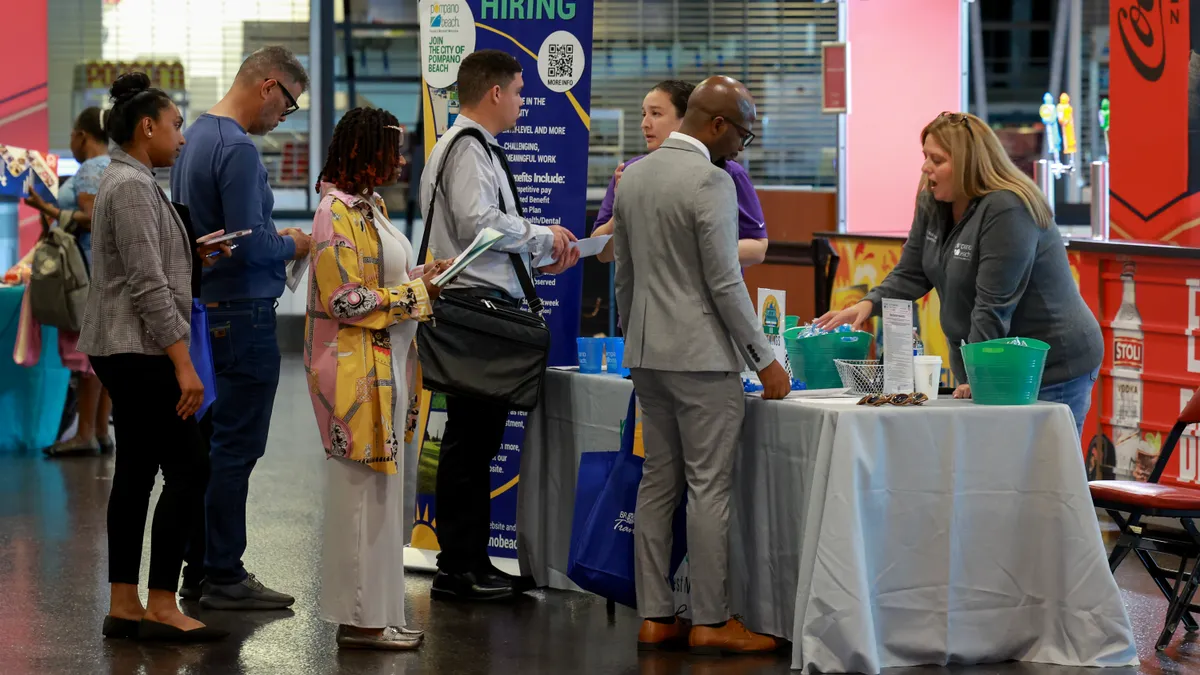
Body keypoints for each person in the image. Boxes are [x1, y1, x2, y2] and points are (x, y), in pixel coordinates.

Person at [612, 75, 789, 654]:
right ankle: (712, 621)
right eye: (742, 134)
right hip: (702, 361)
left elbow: (625, 275)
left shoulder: (634, 176)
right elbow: (724, 282)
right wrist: (764, 359)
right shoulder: (711, 181)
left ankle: (656, 616)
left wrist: (630, 339)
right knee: (708, 487)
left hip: (645, 356)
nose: (742, 146)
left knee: (657, 481)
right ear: (717, 126)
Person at [816, 111, 1104, 437]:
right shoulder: (933, 198)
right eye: (925, 156)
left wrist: (975, 376)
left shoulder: (1008, 207)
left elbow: (994, 304)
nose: (926, 167)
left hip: (1050, 366)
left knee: (1039, 476)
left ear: (968, 163)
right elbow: (912, 271)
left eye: (937, 159)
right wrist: (867, 305)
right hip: (988, 363)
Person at [420, 49, 581, 601]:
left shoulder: (471, 147)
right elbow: (479, 225)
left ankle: (467, 560)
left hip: (477, 305)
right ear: (494, 93)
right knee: (471, 443)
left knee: (474, 441)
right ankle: (460, 566)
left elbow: (484, 240)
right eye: (517, 90)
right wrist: (542, 237)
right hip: (475, 312)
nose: (521, 101)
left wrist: (541, 251)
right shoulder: (467, 149)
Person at [79, 72, 231, 642]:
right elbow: (146, 287)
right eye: (175, 126)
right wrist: (184, 364)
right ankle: (164, 604)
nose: (182, 138)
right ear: (147, 127)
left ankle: (125, 602)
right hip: (138, 351)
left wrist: (191, 256)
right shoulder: (133, 187)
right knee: (191, 468)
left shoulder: (130, 182)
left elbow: (145, 265)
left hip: (125, 347)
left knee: (139, 470)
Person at [169, 45, 312, 610]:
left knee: (211, 449)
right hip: (244, 316)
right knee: (237, 450)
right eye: (289, 105)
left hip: (207, 315)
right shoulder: (239, 150)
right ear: (269, 86)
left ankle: (199, 571)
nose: (284, 117)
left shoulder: (194, 141)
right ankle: (225, 574)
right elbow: (251, 249)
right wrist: (296, 243)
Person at [305, 108, 453, 650]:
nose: (404, 158)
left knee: (385, 497)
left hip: (386, 367)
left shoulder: (370, 208)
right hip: (355, 377)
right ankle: (361, 620)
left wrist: (420, 278)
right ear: (365, 152)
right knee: (363, 500)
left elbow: (377, 281)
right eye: (395, 148)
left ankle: (376, 615)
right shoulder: (333, 213)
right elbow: (343, 298)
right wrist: (415, 296)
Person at [592, 80, 768, 267]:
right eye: (644, 114)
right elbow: (602, 253)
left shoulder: (727, 172)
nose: (645, 124)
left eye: (656, 114)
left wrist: (688, 252)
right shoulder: (629, 172)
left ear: (688, 119)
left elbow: (757, 248)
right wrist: (622, 205)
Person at [22, 107, 114, 456]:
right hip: (101, 270)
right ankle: (102, 430)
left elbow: (92, 219)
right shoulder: (114, 167)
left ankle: (84, 433)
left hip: (84, 271)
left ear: (81, 136)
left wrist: (47, 210)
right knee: (104, 355)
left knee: (89, 357)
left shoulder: (91, 168)